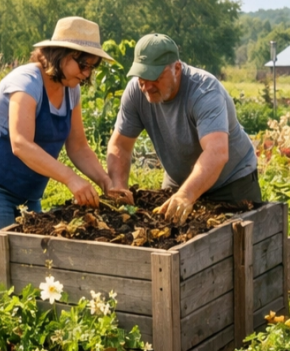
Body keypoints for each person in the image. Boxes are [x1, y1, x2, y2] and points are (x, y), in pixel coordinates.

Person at [0, 16, 121, 295]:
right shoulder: (26, 82)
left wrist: (106, 182)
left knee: (29, 277)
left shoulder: (71, 91)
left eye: (91, 68)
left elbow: (78, 146)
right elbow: (20, 144)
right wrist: (70, 179)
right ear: (60, 55)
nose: (86, 74)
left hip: (27, 192)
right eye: (83, 64)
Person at [106, 33, 261, 224]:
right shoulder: (135, 93)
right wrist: (119, 187)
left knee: (232, 239)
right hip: (179, 180)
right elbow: (120, 145)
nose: (147, 86)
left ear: (177, 69)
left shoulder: (204, 91)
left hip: (230, 183)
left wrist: (186, 195)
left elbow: (216, 152)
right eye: (142, 76)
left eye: (155, 77)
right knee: (164, 232)